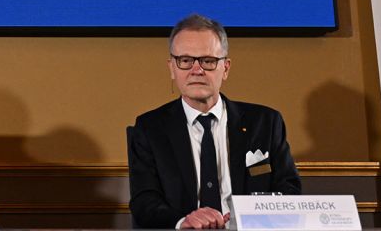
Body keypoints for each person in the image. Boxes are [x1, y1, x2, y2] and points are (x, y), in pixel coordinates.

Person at [127, 14, 301, 229]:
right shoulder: (150, 128)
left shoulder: (265, 122)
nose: (196, 70)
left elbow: (289, 189)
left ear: (225, 68)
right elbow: (144, 201)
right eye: (185, 61)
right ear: (172, 67)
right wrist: (184, 223)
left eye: (208, 61)